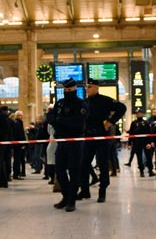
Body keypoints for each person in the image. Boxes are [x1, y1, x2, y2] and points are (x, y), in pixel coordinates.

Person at [79, 78, 126, 202]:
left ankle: (102, 191)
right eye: (86, 87)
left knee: (103, 164)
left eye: (90, 87)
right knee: (84, 163)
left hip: (101, 136)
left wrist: (111, 122)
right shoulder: (84, 102)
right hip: (88, 136)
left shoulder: (105, 100)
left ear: (96, 88)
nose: (87, 89)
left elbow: (122, 108)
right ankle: (84, 191)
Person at [50, 78, 88, 211]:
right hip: (62, 141)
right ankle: (66, 196)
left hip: (75, 142)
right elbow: (50, 118)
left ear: (74, 89)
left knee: (74, 171)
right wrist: (61, 123)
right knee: (59, 171)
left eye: (69, 89)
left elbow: (78, 123)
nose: (67, 91)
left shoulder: (80, 104)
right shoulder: (60, 103)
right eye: (65, 90)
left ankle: (72, 200)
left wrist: (60, 122)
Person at [127, 108, 151, 177]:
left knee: (148, 156)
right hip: (137, 142)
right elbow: (131, 133)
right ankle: (141, 171)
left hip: (145, 141)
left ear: (142, 113)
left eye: (139, 113)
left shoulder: (146, 123)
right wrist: (129, 143)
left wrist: (149, 142)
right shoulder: (134, 123)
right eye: (137, 113)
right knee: (139, 157)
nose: (138, 114)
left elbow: (149, 133)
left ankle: (150, 170)